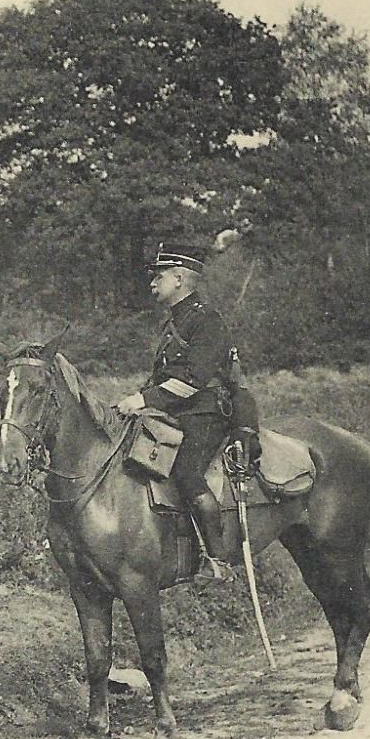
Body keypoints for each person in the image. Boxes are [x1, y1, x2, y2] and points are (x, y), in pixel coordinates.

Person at [114, 241, 235, 580]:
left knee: (185, 473)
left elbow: (194, 379)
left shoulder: (207, 321)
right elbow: (162, 377)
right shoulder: (173, 323)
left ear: (180, 278)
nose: (152, 284)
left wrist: (145, 400)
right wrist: (136, 399)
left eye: (159, 276)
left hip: (204, 413)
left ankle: (218, 560)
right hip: (175, 413)